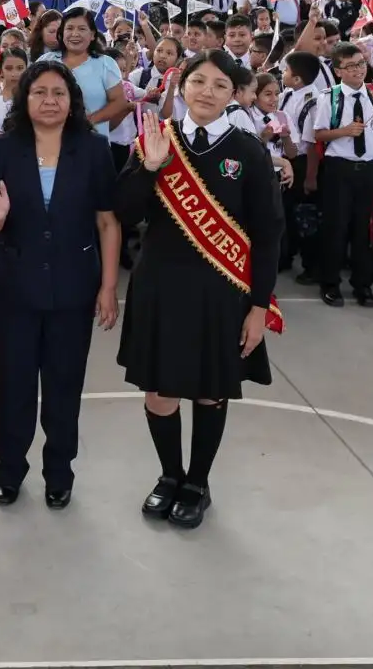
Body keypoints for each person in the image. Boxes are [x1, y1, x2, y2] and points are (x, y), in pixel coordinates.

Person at [115, 50, 282, 530]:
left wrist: (258, 307)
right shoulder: (155, 139)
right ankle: (169, 476)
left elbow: (268, 235)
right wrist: (148, 167)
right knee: (159, 395)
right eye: (198, 81)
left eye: (220, 85)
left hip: (221, 291)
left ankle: (197, 483)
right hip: (160, 287)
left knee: (210, 393)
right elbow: (123, 211)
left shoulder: (247, 150)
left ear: (235, 95)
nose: (207, 92)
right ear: (181, 86)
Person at [0, 60, 120, 507]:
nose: (50, 101)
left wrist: (108, 287)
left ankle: (59, 472)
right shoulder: (1, 149)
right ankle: (10, 471)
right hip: (14, 286)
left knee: (63, 385)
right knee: (13, 385)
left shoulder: (93, 149)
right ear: (24, 98)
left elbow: (108, 222)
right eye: (40, 92)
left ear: (72, 99)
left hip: (74, 286)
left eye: (59, 92)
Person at [305, 42, 373, 307]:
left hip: (370, 167)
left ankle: (363, 284)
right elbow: (319, 134)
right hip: (340, 168)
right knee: (336, 228)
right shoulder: (329, 97)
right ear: (338, 71)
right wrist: (345, 131)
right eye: (350, 66)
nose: (358, 70)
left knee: (363, 228)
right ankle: (330, 283)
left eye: (361, 63)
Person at [39, 7, 128, 137]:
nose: (75, 34)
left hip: (92, 143)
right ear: (62, 32)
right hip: (49, 141)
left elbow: (119, 102)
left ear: (92, 34)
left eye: (82, 29)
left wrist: (88, 122)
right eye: (69, 28)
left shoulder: (105, 64)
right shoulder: (46, 61)